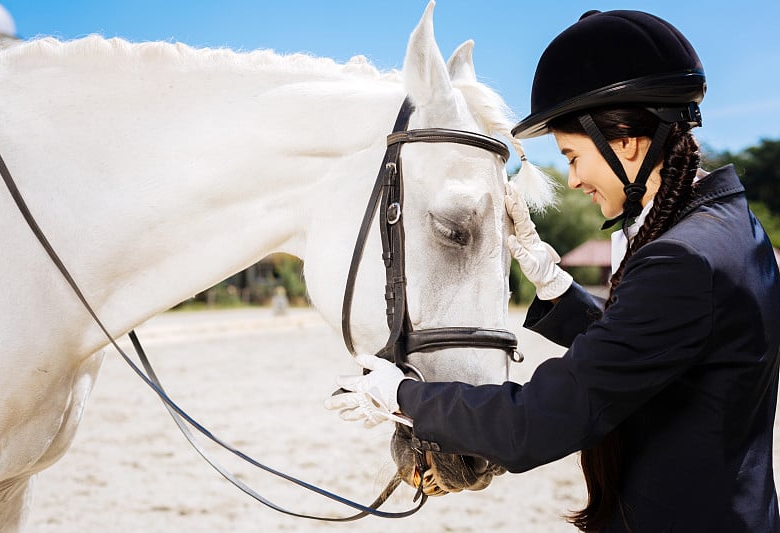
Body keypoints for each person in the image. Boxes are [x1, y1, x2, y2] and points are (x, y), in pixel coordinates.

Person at [325, 9, 780, 533]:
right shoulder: (729, 227)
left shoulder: (681, 259)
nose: (574, 178)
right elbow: (651, 359)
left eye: (572, 155)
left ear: (626, 143)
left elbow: (537, 421)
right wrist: (554, 284)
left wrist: (402, 396)